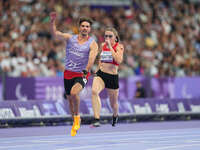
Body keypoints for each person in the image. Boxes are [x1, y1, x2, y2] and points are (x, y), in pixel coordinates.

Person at [50, 12, 98, 136]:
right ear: (79, 27)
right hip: (68, 73)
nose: (85, 28)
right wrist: (52, 22)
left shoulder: (92, 43)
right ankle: (74, 122)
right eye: (83, 26)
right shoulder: (70, 38)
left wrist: (86, 70)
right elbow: (55, 34)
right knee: (70, 100)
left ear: (90, 29)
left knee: (73, 93)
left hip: (82, 74)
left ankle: (77, 117)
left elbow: (92, 58)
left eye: (87, 26)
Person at [91, 27, 124, 127]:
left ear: (115, 38)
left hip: (112, 77)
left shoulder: (119, 47)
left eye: (110, 36)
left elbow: (118, 60)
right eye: (106, 36)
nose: (107, 38)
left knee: (113, 103)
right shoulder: (102, 45)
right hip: (101, 74)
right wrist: (97, 70)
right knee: (94, 91)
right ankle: (96, 119)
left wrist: (110, 47)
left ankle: (115, 115)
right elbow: (101, 58)